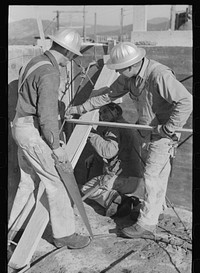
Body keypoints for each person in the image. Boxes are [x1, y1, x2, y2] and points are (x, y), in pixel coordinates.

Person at [66, 41, 193, 239]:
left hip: (163, 133)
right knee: (156, 175)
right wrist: (80, 109)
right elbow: (108, 95)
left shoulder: (159, 75)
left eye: (119, 69)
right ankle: (154, 211)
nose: (117, 73)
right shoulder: (129, 77)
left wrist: (169, 127)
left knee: (152, 176)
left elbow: (186, 101)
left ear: (132, 65)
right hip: (147, 130)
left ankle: (146, 225)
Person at [8, 28, 91, 250]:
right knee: (57, 183)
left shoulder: (33, 62)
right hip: (33, 133)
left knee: (27, 184)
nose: (69, 61)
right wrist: (56, 147)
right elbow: (46, 115)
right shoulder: (50, 73)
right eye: (72, 55)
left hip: (20, 127)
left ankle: (13, 231)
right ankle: (65, 235)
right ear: (67, 51)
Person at [82, 102, 143, 217]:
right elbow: (122, 150)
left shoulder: (115, 127)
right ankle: (131, 203)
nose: (102, 115)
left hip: (122, 178)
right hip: (135, 179)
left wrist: (92, 136)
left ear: (115, 111)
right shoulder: (129, 127)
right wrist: (95, 156)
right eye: (100, 113)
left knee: (87, 188)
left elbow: (109, 152)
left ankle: (116, 199)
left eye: (105, 111)